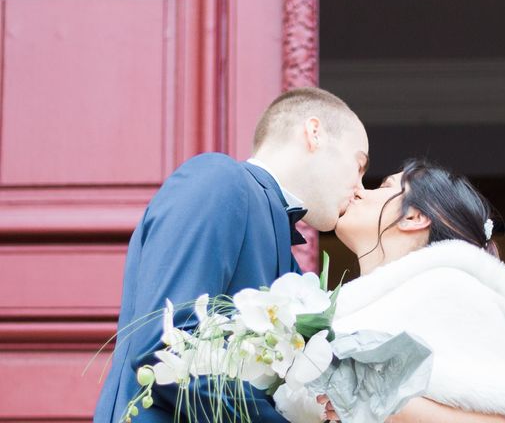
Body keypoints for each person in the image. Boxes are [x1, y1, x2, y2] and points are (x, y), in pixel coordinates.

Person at [94, 87, 369, 423]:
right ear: (314, 133)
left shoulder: (289, 260)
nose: (360, 188)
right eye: (358, 166)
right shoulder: (219, 179)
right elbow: (167, 345)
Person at [275, 158, 505, 423]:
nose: (358, 191)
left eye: (384, 187)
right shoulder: (352, 305)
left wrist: (388, 409)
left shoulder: (453, 290)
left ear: (414, 217)